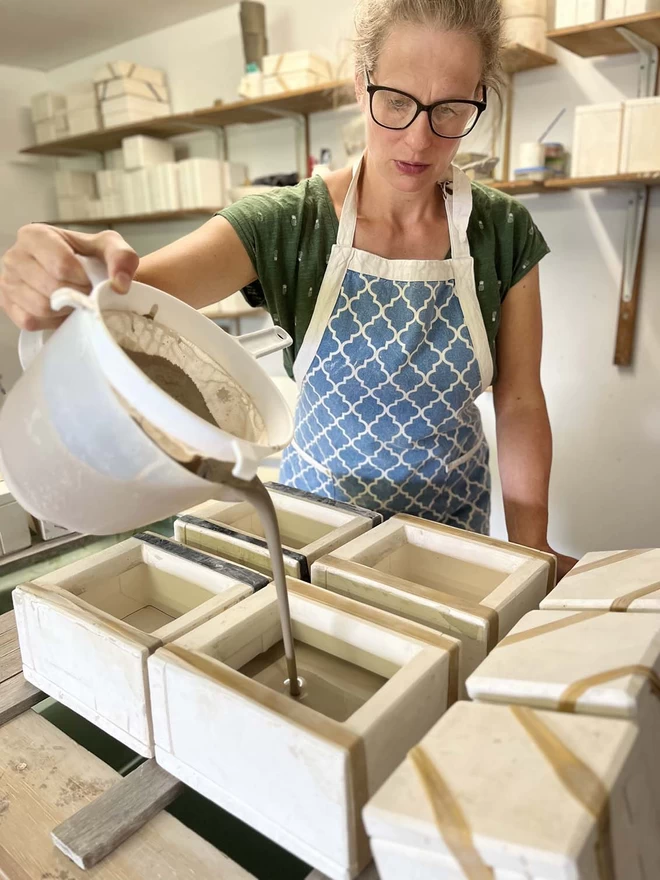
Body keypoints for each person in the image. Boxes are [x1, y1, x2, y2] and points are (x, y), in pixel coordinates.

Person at [0, 0, 577, 578]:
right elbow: (130, 298)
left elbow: (520, 400)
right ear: (361, 85)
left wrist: (532, 548)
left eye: (450, 109)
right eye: (396, 102)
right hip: (316, 533)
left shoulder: (502, 233)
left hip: (448, 535)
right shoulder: (289, 225)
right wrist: (66, 276)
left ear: (479, 95)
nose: (420, 139)